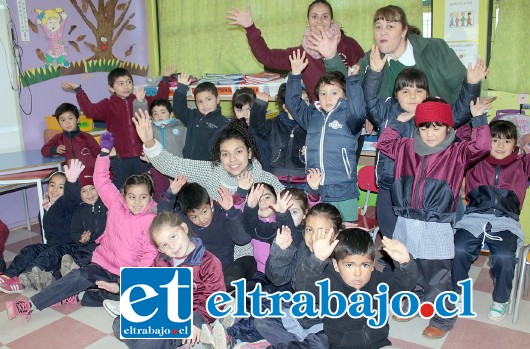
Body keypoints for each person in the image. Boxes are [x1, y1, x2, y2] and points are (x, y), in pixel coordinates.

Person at [6, 132, 158, 319]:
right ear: (124, 195)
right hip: (102, 264)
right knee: (77, 276)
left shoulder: (151, 220)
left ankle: (79, 295)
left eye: (143, 197)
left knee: (123, 295)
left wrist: (129, 282)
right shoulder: (116, 203)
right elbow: (101, 180)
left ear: (151, 197)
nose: (137, 202)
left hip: (127, 275)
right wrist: (103, 153)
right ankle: (30, 305)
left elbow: (149, 255)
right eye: (132, 196)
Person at [377, 98, 491, 338]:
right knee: (409, 267)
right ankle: (415, 300)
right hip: (407, 221)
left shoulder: (457, 151)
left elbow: (482, 147)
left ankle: (443, 317)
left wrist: (479, 118)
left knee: (437, 275)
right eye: (424, 127)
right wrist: (397, 123)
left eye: (437, 126)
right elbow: (384, 144)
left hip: (435, 224)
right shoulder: (406, 147)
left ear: (448, 128)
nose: (430, 133)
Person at [363, 47, 489, 239]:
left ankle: (416, 265)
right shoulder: (386, 111)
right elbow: (370, 100)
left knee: (418, 236)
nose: (412, 96)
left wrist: (471, 84)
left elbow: (461, 113)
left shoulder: (433, 114)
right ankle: (399, 267)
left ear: (427, 94)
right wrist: (374, 73)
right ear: (396, 94)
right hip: (389, 183)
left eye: (418, 90)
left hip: (420, 188)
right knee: (389, 231)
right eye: (405, 91)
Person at [111, 211, 226, 349]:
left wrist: (197, 319)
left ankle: (164, 341)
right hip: (163, 313)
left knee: (153, 339)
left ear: (184, 228)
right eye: (164, 245)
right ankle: (163, 342)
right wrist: (121, 288)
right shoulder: (161, 260)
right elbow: (147, 284)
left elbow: (216, 299)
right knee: (119, 325)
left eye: (173, 237)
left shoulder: (209, 262)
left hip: (189, 318)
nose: (171, 246)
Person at [452, 120, 530, 321]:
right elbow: (462, 133)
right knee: (458, 249)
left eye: (506, 141)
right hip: (474, 218)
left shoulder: (522, 164)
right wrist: (478, 119)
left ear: (515, 144)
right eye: (494, 140)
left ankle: (501, 299)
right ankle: (459, 293)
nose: (500, 146)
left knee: (504, 257)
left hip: (506, 222)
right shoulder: (475, 159)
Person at [295, 228, 418, 349]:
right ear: (336, 265)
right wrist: (316, 261)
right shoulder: (330, 284)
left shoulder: (377, 281)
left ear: (372, 264)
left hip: (379, 344)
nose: (358, 273)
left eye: (365, 265)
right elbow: (304, 287)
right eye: (349, 265)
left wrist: (405, 263)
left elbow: (403, 288)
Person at [132, 109, 285, 201]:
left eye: (238, 152)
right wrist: (149, 142)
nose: (232, 160)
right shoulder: (211, 172)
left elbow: (293, 204)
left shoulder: (267, 180)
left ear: (249, 152)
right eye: (225, 154)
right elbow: (174, 165)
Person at [227, 0, 364, 101]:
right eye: (314, 16)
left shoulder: (349, 45)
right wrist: (250, 28)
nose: (319, 21)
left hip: (349, 114)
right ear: (308, 21)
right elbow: (266, 56)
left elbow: (364, 78)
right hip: (317, 117)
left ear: (332, 20)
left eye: (325, 16)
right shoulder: (301, 54)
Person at [286, 50, 366, 222]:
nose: (328, 98)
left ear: (344, 95)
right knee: (318, 232)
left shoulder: (349, 116)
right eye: (323, 93)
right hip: (315, 187)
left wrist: (353, 82)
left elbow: (359, 112)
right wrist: (294, 74)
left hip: (343, 190)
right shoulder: (312, 115)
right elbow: (293, 103)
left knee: (344, 237)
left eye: (334, 93)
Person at [252, 203, 343, 349]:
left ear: (336, 234)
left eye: (323, 232)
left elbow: (309, 292)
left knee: (323, 342)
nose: (315, 237)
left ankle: (299, 344)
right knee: (261, 320)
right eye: (309, 230)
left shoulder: (341, 258)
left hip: (324, 322)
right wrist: (279, 252)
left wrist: (317, 260)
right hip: (298, 315)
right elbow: (277, 279)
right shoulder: (302, 245)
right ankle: (302, 344)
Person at [61, 67, 170, 188]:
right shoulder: (108, 104)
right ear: (111, 88)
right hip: (120, 158)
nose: (126, 86)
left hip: (142, 157)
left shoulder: (140, 101)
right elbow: (90, 111)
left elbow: (160, 100)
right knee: (122, 190)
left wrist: (165, 80)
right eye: (121, 83)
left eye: (129, 82)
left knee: (145, 188)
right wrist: (78, 90)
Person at [158, 176, 255, 291]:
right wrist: (170, 194)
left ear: (210, 203)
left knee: (232, 278)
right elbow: (163, 223)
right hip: (196, 273)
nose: (202, 219)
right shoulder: (184, 222)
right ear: (186, 215)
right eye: (194, 217)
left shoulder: (222, 213)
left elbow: (243, 239)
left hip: (222, 272)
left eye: (204, 212)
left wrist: (231, 211)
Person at [0, 162, 83, 293]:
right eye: (52, 185)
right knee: (29, 250)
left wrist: (72, 182)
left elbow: (72, 199)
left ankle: (23, 279)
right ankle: (7, 275)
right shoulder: (45, 207)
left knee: (48, 254)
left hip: (70, 248)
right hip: (53, 246)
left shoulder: (67, 206)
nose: (55, 190)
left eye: (61, 187)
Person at [249, 84, 309, 188]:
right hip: (277, 180)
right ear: (285, 107)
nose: (304, 105)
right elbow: (256, 128)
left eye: (307, 100)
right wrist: (259, 105)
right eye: (299, 102)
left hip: (303, 181)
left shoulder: (311, 125)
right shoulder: (274, 124)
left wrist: (312, 149)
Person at [174, 72, 229, 161]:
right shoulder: (192, 116)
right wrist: (181, 88)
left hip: (209, 167)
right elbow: (178, 110)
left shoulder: (224, 123)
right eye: (200, 101)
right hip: (188, 164)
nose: (204, 104)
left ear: (218, 99)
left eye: (208, 99)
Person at [41, 103, 100, 180]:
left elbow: (99, 154)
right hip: (70, 177)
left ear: (77, 120)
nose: (67, 123)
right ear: (59, 123)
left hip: (90, 175)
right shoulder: (58, 138)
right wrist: (55, 149)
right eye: (63, 120)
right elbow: (44, 150)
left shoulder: (87, 137)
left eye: (70, 118)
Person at [147, 98, 187, 200]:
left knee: (180, 196)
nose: (159, 116)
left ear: (171, 114)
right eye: (155, 114)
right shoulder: (150, 129)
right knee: (161, 196)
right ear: (152, 117)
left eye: (163, 112)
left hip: (177, 170)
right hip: (157, 170)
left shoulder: (181, 128)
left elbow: (186, 150)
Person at [232, 88, 272, 172]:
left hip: (264, 172)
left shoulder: (263, 127)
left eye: (249, 109)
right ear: (234, 110)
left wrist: (260, 105)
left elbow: (257, 124)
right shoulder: (231, 130)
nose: (245, 114)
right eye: (239, 110)